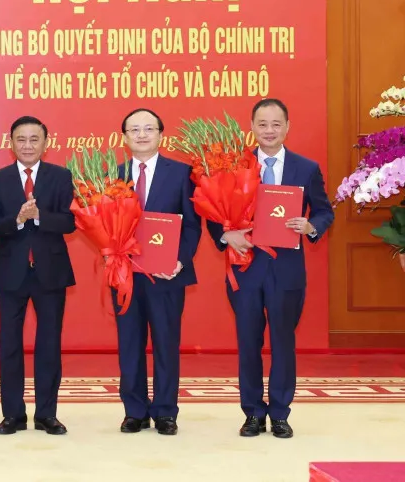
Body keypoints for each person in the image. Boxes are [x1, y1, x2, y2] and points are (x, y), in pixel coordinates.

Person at [209, 98, 334, 439]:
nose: (269, 130)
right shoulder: (234, 165)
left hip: (287, 270)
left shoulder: (306, 168)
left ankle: (279, 413)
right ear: (252, 127)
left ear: (287, 127)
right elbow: (213, 212)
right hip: (246, 268)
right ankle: (252, 412)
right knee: (248, 343)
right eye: (262, 124)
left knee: (283, 342)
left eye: (276, 124)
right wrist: (226, 235)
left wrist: (311, 226)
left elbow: (324, 211)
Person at [0, 116, 77, 435]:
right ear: (11, 143)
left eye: (34, 139)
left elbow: (70, 222)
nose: (27, 145)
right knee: (9, 344)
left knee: (49, 344)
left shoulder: (60, 176)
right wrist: (18, 220)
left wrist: (40, 216)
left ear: (45, 144)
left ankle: (46, 414)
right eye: (21, 139)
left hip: (51, 272)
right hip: (12, 273)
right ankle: (13, 414)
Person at [115, 108, 202, 436]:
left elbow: (192, 225)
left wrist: (179, 260)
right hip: (126, 275)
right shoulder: (112, 176)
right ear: (125, 137)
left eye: (148, 129)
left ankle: (166, 411)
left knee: (166, 343)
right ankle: (134, 411)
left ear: (161, 135)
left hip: (167, 275)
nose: (141, 135)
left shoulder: (181, 173)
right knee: (130, 344)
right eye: (134, 129)